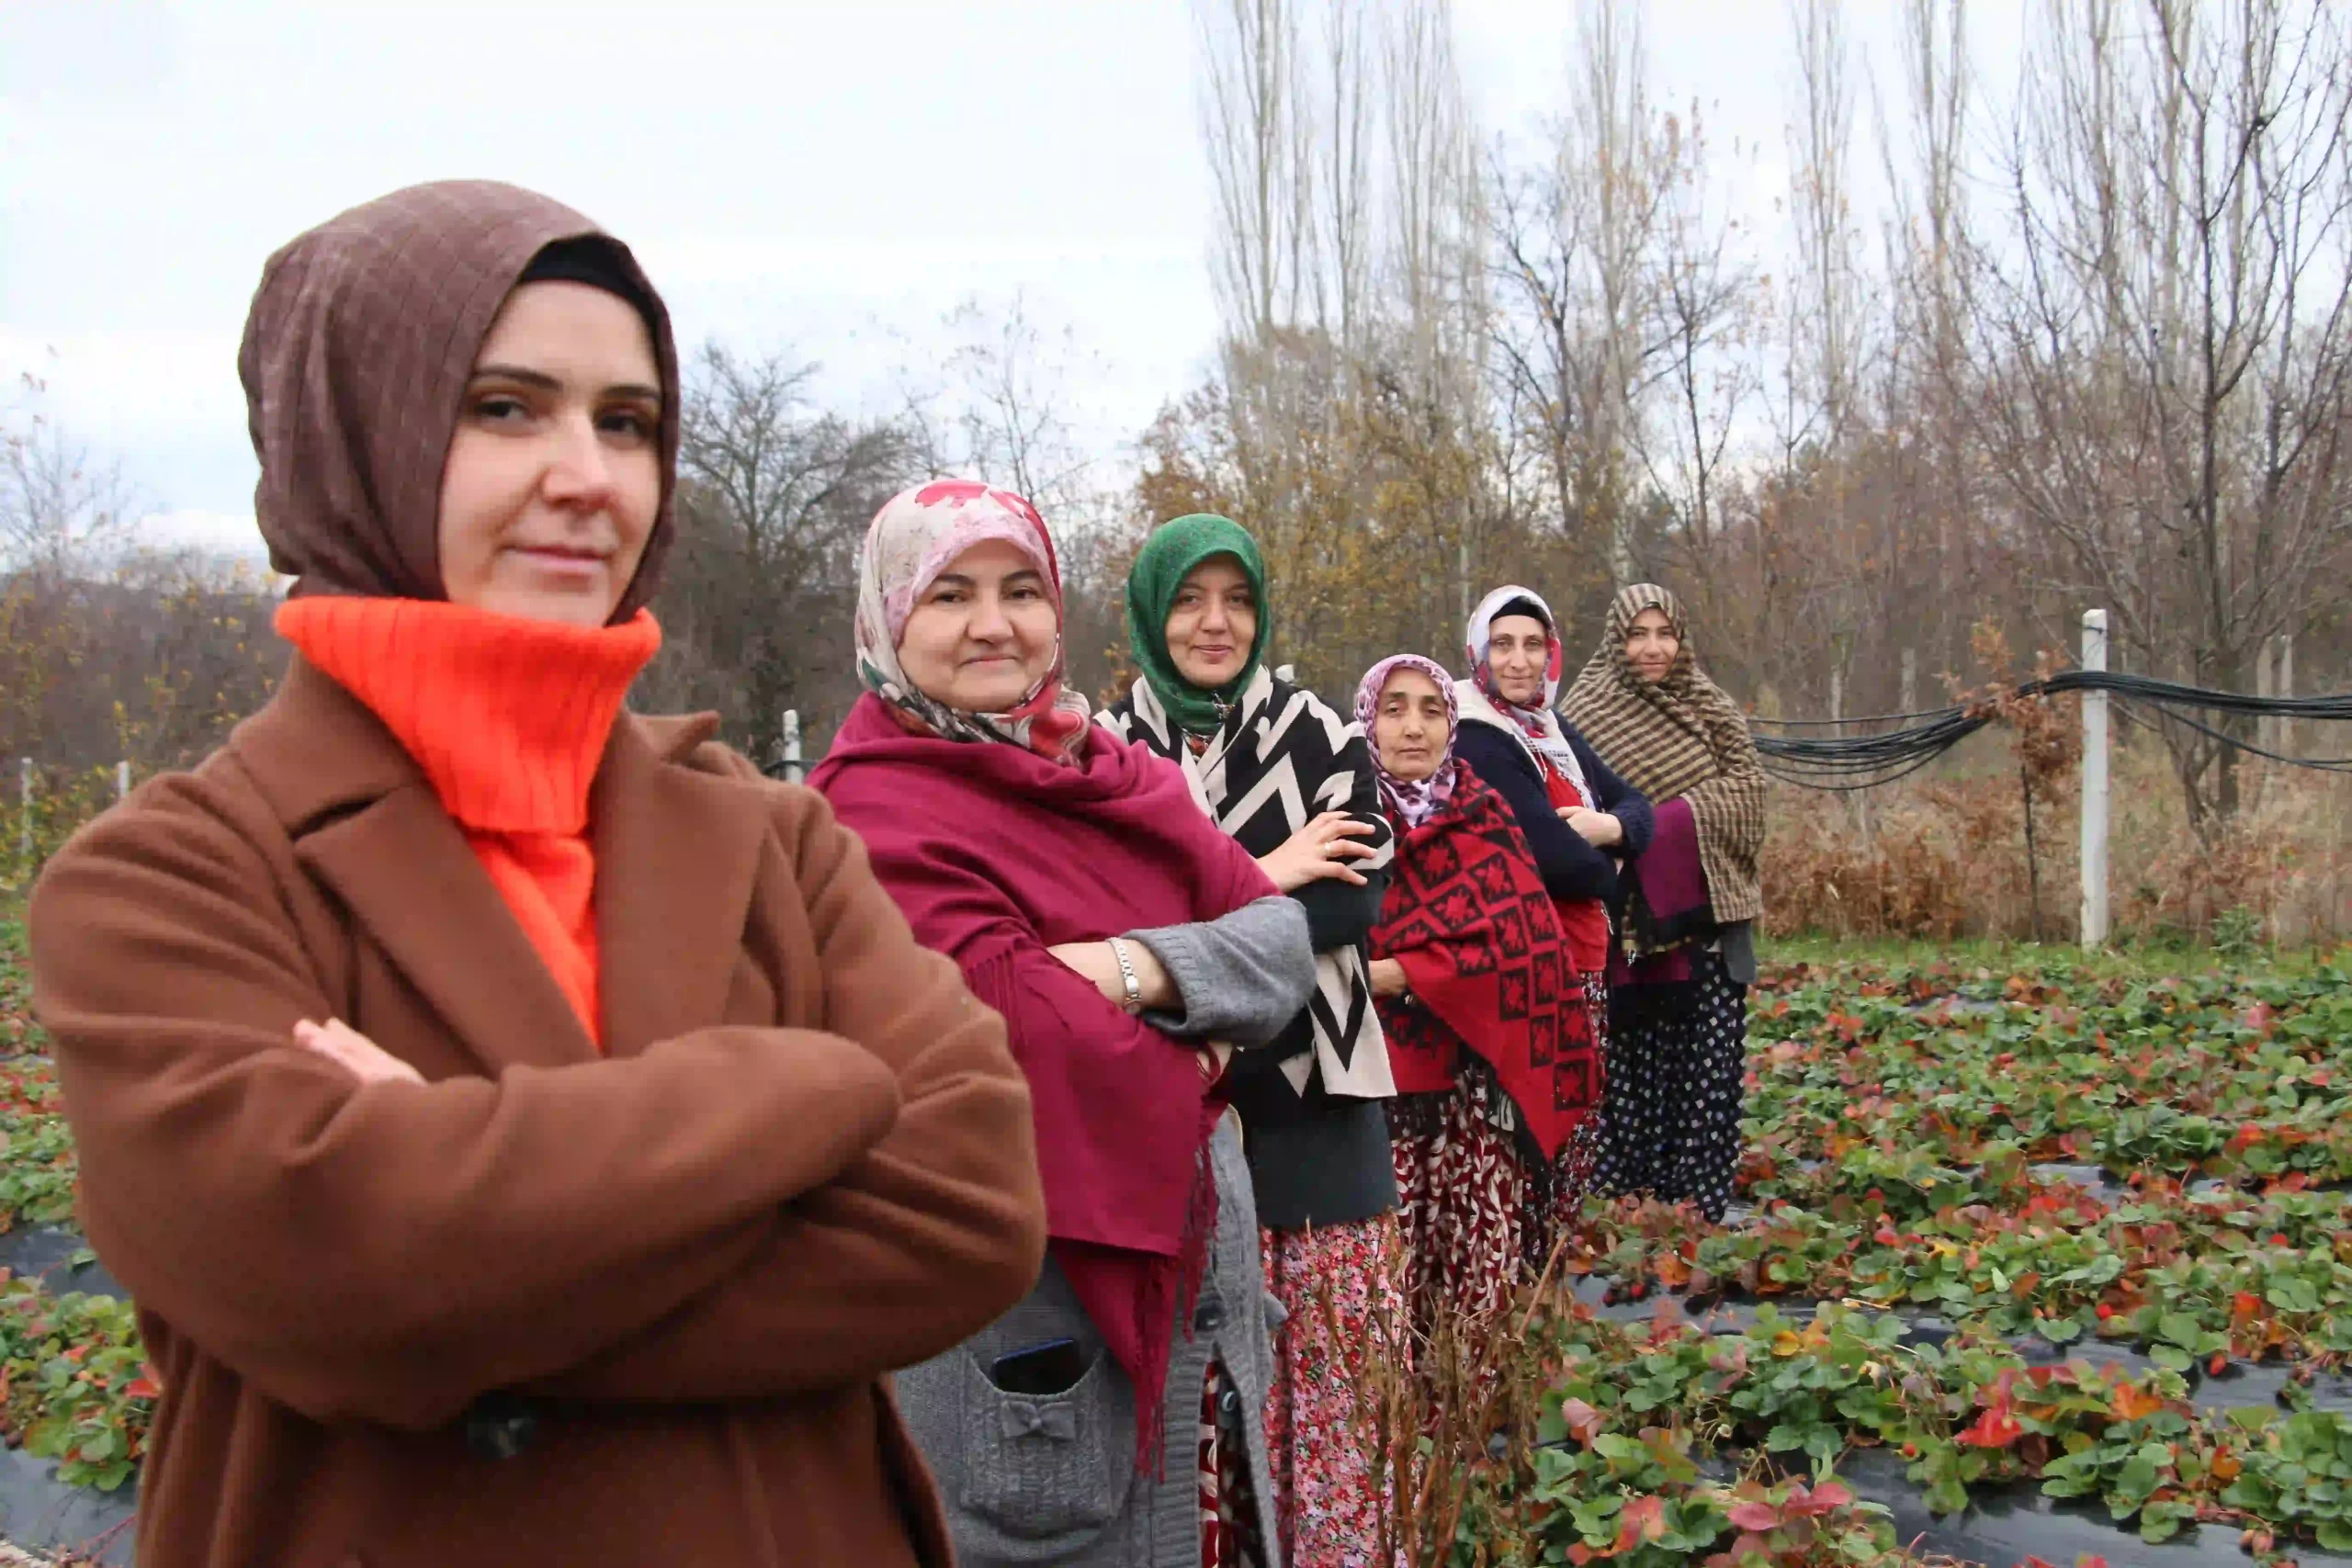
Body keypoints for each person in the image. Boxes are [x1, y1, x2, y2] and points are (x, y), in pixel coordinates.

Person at [24, 182, 1047, 1568]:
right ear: (357, 439)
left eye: (627, 422)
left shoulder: (767, 835)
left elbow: (975, 1210)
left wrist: (478, 1250)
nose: (589, 474)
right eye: (504, 406)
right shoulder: (170, 881)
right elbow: (338, 1272)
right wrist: (813, 1087)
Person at [810, 481, 1318, 1568]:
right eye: (949, 594)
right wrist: (1206, 1030)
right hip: (1028, 1343)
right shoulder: (868, 816)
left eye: (1021, 589)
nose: (994, 623)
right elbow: (1023, 1042)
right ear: (888, 619)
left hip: (1199, 1328)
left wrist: (1132, 971)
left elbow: (1282, 949)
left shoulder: (1113, 771)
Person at [1099, 513, 1400, 1568]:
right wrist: (1269, 873)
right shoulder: (1105, 748)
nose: (1214, 622)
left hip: (1312, 1108)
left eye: (1234, 599)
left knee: (1330, 1405)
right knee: (1198, 1417)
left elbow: (1352, 908)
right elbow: (1090, 920)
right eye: (1188, 599)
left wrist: (1179, 937)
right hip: (1164, 1117)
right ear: (1150, 610)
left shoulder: (1316, 730)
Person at [1355, 655, 1604, 1334]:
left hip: (1474, 1094)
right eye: (1394, 708)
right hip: (1373, 1091)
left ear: (1453, 724)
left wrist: (1407, 971)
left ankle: (1466, 1418)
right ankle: (1388, 1429)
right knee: (1382, 1283)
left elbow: (1523, 943)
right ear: (1367, 720)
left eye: (1432, 710)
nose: (1413, 727)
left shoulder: (1484, 814)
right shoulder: (1340, 818)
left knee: (1473, 1275)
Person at [1449, 585, 1650, 1264]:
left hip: (1585, 962)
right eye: (1502, 643)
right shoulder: (1479, 734)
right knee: (1535, 1132)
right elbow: (1557, 861)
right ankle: (1521, 1289)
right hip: (1531, 969)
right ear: (1478, 649)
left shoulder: (1551, 730)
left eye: (1533, 644)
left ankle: (1543, 1286)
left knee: (1575, 1132)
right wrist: (1612, 861)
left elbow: (1636, 805)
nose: (1518, 659)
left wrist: (1609, 827)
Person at [1563, 583, 1767, 1223]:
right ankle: (1624, 1200)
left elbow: (1748, 792)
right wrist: (1618, 830)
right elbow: (1569, 799)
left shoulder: (1711, 707)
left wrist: (1658, 822)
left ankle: (1696, 1202)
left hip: (1704, 924)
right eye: (1637, 634)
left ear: (1682, 639)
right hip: (1621, 929)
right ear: (1616, 641)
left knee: (1702, 1060)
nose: (1652, 648)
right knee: (1625, 1065)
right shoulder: (1584, 711)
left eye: (1664, 633)